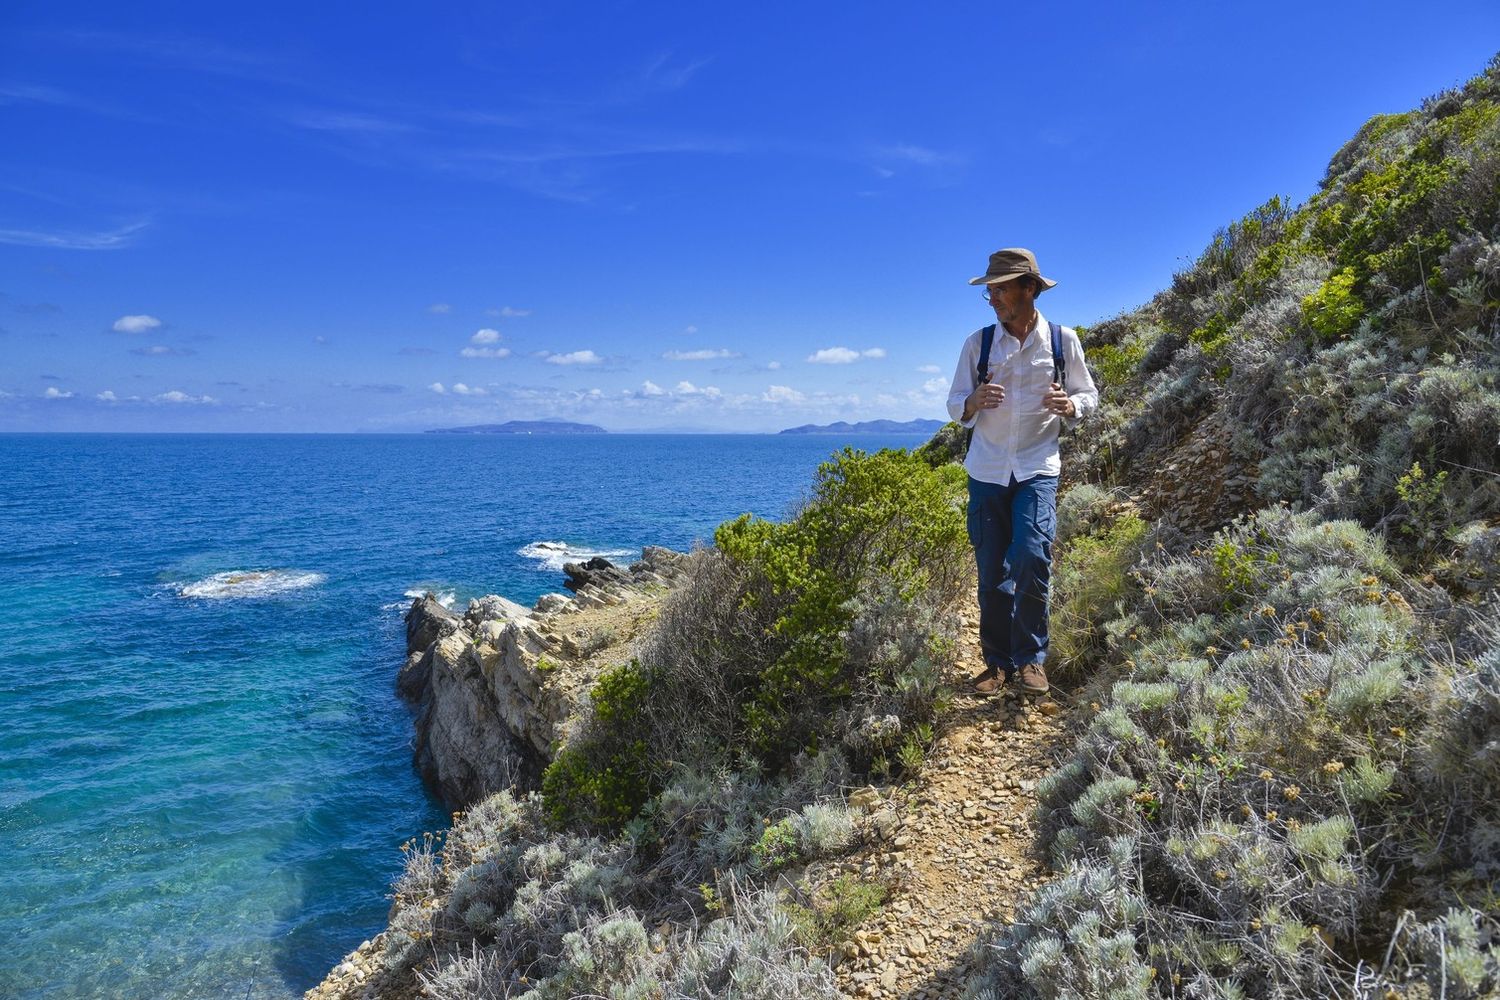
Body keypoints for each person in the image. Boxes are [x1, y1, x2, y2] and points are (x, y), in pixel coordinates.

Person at [946, 248, 1098, 696]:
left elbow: (1088, 394)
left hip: (1037, 467)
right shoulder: (978, 344)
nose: (992, 297)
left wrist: (1071, 405)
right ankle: (997, 664)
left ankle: (1031, 659)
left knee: (1032, 557)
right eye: (989, 290)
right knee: (991, 570)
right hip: (987, 470)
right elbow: (955, 403)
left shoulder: (1061, 341)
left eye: (1000, 288)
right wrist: (974, 402)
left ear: (1029, 288)